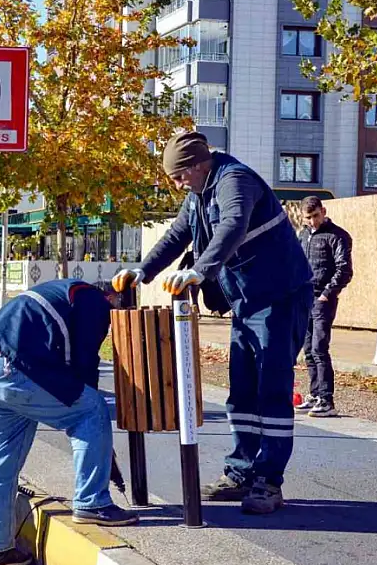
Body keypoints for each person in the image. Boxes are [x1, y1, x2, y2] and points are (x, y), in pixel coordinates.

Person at [113, 131, 313, 515]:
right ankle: (241, 471)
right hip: (248, 302)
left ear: (198, 165)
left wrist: (201, 272)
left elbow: (234, 224)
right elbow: (176, 235)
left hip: (280, 298)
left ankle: (268, 481)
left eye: (179, 175)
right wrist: (144, 271)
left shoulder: (235, 180)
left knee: (271, 391)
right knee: (241, 391)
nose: (176, 184)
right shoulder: (198, 195)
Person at [0, 278, 135, 565]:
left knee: (2, 461)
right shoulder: (93, 300)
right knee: (91, 409)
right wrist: (96, 431)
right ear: (111, 296)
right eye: (119, 307)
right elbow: (84, 362)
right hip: (13, 368)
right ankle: (92, 502)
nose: (116, 316)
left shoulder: (63, 292)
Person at [295, 196, 353, 417]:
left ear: (324, 211)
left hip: (322, 299)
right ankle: (315, 394)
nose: (313, 221)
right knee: (308, 349)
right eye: (308, 218)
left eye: (316, 216)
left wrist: (328, 294)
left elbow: (344, 269)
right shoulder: (303, 236)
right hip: (305, 298)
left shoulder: (337, 236)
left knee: (319, 348)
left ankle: (327, 400)